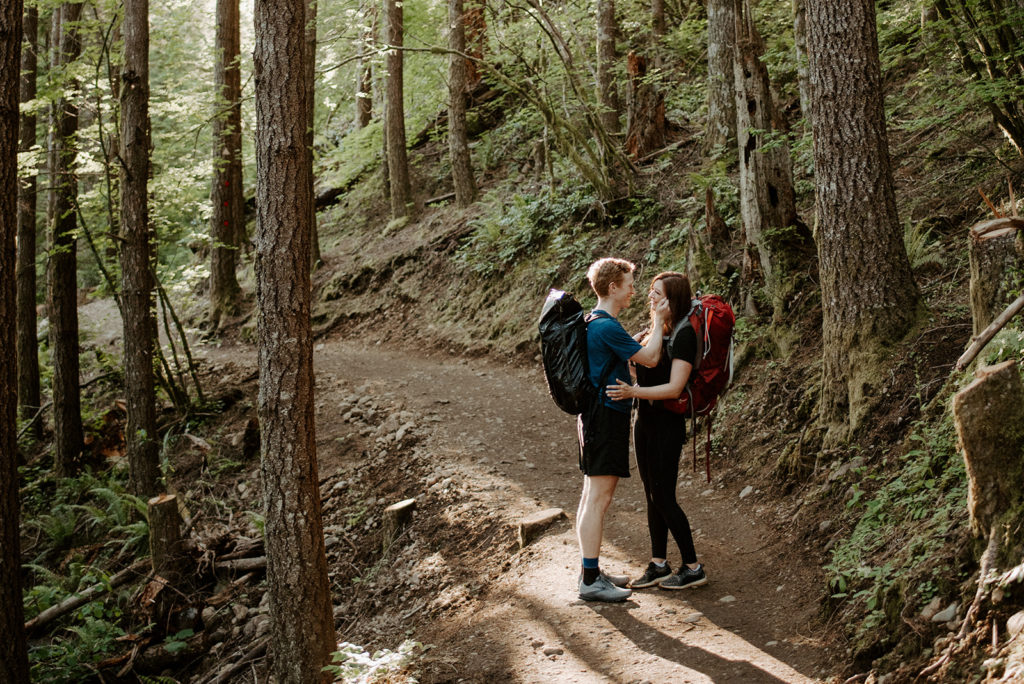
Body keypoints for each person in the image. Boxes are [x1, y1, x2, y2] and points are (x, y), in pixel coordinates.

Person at [606, 271, 708, 590]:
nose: (650, 296)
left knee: (664, 496)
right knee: (652, 496)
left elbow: (676, 387)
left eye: (657, 292)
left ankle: (693, 567)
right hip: (644, 422)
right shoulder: (656, 331)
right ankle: (659, 563)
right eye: (650, 290)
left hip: (666, 425)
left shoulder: (683, 334)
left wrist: (634, 391)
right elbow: (647, 370)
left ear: (672, 299)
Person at [575, 257, 668, 602]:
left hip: (593, 417)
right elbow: (650, 358)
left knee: (590, 496)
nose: (633, 291)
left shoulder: (594, 321)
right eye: (629, 285)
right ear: (612, 287)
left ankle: (591, 570)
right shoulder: (605, 326)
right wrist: (658, 320)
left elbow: (614, 354)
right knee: (598, 498)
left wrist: (634, 340)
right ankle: (589, 580)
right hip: (605, 419)